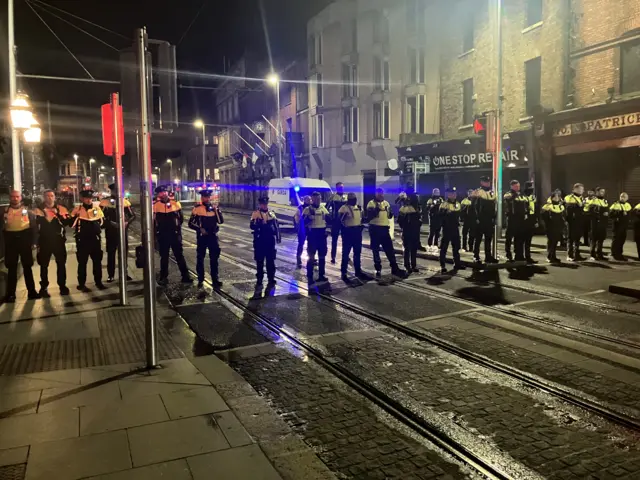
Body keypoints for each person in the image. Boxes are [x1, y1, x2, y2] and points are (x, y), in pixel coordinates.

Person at [2, 190, 39, 302]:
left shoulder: (28, 211)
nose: (15, 198)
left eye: (17, 196)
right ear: (10, 198)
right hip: (11, 242)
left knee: (27, 267)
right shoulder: (4, 211)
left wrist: (34, 242)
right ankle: (11, 294)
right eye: (13, 196)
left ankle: (32, 292)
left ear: (20, 197)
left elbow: (34, 228)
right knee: (12, 268)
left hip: (24, 240)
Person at [33, 190, 71, 297]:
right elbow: (33, 225)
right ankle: (43, 287)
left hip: (58, 240)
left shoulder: (61, 209)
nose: (50, 198)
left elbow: (67, 223)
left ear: (55, 197)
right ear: (43, 197)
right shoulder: (37, 210)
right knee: (43, 265)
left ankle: (62, 286)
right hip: (44, 241)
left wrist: (59, 215)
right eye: (47, 196)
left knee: (61, 264)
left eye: (51, 196)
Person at [153, 185, 192, 286]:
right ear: (158, 194)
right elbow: (153, 222)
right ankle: (163, 277)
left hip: (175, 235)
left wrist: (176, 229)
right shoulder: (155, 206)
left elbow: (181, 219)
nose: (163, 194)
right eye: (161, 193)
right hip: (162, 235)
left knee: (179, 255)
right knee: (164, 257)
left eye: (165, 192)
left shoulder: (176, 204)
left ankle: (185, 276)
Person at [100, 183, 135, 282]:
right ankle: (110, 275)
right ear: (111, 191)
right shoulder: (105, 202)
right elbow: (100, 217)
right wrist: (110, 223)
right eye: (115, 190)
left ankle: (124, 273)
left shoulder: (125, 202)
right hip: (110, 232)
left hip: (123, 231)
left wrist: (126, 222)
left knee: (123, 254)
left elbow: (132, 216)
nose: (117, 192)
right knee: (111, 254)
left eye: (118, 190)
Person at [71, 190, 105, 292]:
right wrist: (75, 217)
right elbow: (70, 224)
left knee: (97, 263)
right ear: (82, 199)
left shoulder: (96, 208)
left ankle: (98, 282)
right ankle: (81, 284)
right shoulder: (77, 209)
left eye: (90, 198)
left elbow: (102, 221)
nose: (89, 200)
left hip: (95, 239)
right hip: (82, 240)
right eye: (86, 198)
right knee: (82, 263)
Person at [366, 188, 405, 278]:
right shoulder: (371, 203)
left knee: (390, 250)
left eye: (382, 194)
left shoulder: (386, 203)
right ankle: (378, 269)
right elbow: (369, 216)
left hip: (384, 229)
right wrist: (377, 209)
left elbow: (390, 215)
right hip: (375, 229)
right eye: (379, 194)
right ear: (375, 194)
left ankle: (395, 268)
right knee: (376, 250)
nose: (380, 195)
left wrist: (391, 212)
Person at [189, 189, 224, 288]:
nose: (207, 199)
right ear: (202, 198)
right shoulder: (197, 208)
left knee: (214, 258)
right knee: (200, 257)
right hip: (202, 237)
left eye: (208, 197)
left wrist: (217, 211)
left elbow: (220, 221)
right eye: (205, 197)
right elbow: (190, 223)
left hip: (212, 236)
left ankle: (215, 279)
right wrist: (200, 229)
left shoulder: (214, 208)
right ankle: (200, 278)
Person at [250, 196, 281, 287]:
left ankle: (271, 279)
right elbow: (252, 226)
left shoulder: (271, 214)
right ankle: (259, 280)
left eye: (266, 204)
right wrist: (259, 224)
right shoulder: (255, 214)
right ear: (260, 204)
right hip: (260, 241)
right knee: (260, 261)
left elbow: (276, 226)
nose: (264, 205)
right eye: (263, 204)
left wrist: (278, 237)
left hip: (270, 241)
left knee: (270, 261)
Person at [303, 192, 330, 283]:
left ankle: (321, 274)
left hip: (322, 234)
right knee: (311, 256)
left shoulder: (323, 208)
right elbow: (303, 223)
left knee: (322, 255)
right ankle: (309, 275)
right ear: (312, 199)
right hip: (313, 234)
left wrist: (328, 230)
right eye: (316, 199)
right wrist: (309, 217)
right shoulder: (308, 209)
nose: (318, 201)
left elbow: (328, 220)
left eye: (319, 199)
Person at [471, 176, 498, 264]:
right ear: (481, 182)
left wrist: (494, 217)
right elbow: (474, 207)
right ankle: (476, 256)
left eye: (488, 182)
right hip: (480, 219)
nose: (487, 183)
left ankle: (488, 256)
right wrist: (476, 218)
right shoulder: (478, 192)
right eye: (485, 182)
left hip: (489, 219)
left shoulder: (491, 192)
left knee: (488, 239)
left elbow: (494, 206)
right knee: (478, 239)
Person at [338, 192, 365, 279]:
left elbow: (362, 219)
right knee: (346, 253)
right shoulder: (344, 208)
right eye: (352, 199)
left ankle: (358, 271)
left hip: (357, 232)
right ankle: (344, 272)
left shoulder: (358, 208)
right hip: (348, 233)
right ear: (349, 200)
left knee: (357, 253)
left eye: (355, 199)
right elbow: (340, 221)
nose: (354, 200)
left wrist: (361, 225)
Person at [439, 187, 465, 273]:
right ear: (448, 195)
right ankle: (442, 265)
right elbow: (440, 216)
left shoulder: (457, 204)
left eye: (454, 193)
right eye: (452, 194)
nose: (454, 195)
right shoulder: (444, 204)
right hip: (446, 229)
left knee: (456, 247)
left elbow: (459, 215)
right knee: (444, 248)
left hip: (455, 228)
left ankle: (457, 263)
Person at [503, 180, 527, 262]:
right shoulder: (509, 194)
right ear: (512, 186)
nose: (518, 188)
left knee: (519, 238)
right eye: (516, 186)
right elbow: (507, 199)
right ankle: (508, 254)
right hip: (512, 219)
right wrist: (514, 195)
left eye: (519, 186)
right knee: (509, 237)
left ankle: (519, 254)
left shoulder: (521, 195)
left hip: (520, 219)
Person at [398, 193, 422, 273]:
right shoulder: (405, 208)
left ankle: (412, 265)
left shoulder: (407, 208)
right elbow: (400, 221)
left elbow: (419, 219)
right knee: (408, 248)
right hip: (408, 230)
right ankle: (408, 265)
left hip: (412, 230)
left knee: (412, 249)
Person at [584, 186, 609, 261]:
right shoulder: (593, 200)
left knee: (601, 239)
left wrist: (607, 213)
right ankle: (592, 254)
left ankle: (600, 254)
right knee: (594, 239)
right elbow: (589, 212)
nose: (602, 193)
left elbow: (607, 210)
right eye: (601, 191)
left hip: (602, 223)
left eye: (603, 192)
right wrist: (601, 213)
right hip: (594, 223)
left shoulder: (605, 201)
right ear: (597, 192)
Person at [541, 191, 566, 263]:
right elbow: (544, 217)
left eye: (558, 197)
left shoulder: (561, 206)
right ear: (552, 198)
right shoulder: (547, 206)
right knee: (551, 242)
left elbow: (563, 217)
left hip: (558, 227)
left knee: (555, 242)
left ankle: (553, 256)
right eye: (555, 197)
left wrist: (562, 225)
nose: (557, 198)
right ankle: (549, 256)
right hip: (550, 227)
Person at [327, 182, 347, 264]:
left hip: (345, 221)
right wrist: (330, 219)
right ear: (336, 188)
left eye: (342, 187)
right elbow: (326, 208)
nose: (341, 189)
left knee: (346, 240)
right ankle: (333, 256)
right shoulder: (333, 197)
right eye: (339, 188)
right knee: (334, 240)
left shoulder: (346, 197)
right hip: (336, 221)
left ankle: (346, 255)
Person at [564, 183, 585, 262]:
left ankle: (577, 254)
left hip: (579, 221)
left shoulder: (582, 198)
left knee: (577, 239)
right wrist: (577, 205)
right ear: (574, 189)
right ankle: (569, 255)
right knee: (571, 238)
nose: (581, 191)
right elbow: (567, 208)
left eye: (582, 189)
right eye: (579, 189)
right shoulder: (569, 197)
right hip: (571, 221)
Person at [609, 192, 632, 261]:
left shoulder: (628, 205)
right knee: (616, 240)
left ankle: (619, 254)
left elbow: (629, 215)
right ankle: (614, 254)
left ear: (627, 198)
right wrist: (619, 213)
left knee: (622, 240)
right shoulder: (615, 204)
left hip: (624, 226)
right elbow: (611, 215)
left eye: (624, 197)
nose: (622, 198)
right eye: (621, 196)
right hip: (617, 226)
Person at [294, 195, 312, 268]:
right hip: (302, 229)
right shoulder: (300, 208)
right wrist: (298, 226)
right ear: (304, 200)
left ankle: (311, 259)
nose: (309, 201)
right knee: (301, 244)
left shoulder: (311, 208)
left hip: (310, 228)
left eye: (310, 200)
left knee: (311, 245)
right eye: (308, 200)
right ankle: (298, 259)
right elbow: (296, 218)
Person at [426, 188, 444, 253]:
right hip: (433, 219)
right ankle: (429, 244)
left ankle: (436, 245)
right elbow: (428, 209)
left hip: (439, 219)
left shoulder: (441, 200)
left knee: (437, 233)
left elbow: (443, 207)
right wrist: (433, 205)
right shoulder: (430, 200)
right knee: (431, 233)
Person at [460, 189, 475, 253]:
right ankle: (464, 247)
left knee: (472, 235)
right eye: (470, 193)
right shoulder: (464, 201)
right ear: (468, 194)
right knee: (464, 234)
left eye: (472, 193)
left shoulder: (475, 200)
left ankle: (471, 247)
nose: (471, 194)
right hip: (466, 220)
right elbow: (461, 211)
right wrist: (461, 219)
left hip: (472, 220)